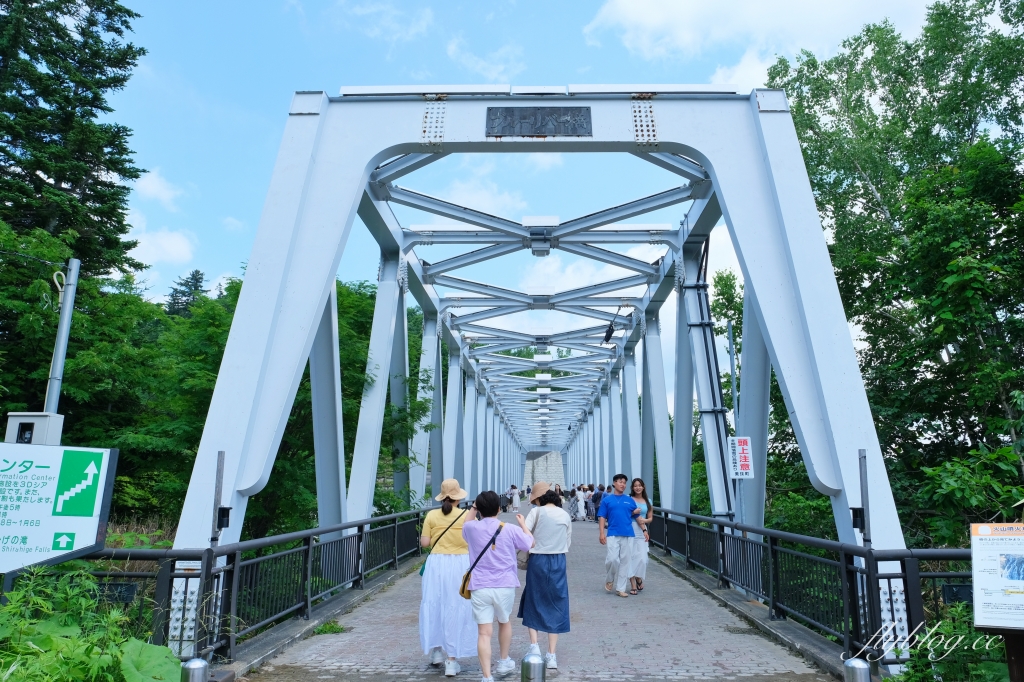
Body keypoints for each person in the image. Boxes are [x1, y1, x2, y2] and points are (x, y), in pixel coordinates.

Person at [463, 491, 534, 682]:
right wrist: (524, 525)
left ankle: (487, 676)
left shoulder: (471, 529)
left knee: (484, 633)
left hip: (480, 586)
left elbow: (466, 524)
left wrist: (474, 507)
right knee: (504, 621)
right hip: (505, 584)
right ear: (499, 508)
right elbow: (529, 544)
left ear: (478, 509)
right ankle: (503, 661)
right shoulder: (509, 528)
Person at [419, 479, 477, 676]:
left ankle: (436, 651)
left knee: (434, 604)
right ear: (459, 497)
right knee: (456, 607)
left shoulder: (431, 515)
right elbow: (476, 541)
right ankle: (451, 660)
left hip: (436, 565)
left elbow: (425, 543)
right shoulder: (466, 516)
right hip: (460, 564)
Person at [518, 482, 571, 670]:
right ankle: (552, 655)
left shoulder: (536, 512)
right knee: (556, 602)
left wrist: (522, 524)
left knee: (534, 599)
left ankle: (534, 647)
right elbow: (568, 541)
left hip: (538, 560)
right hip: (558, 560)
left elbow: (528, 541)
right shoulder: (565, 514)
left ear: (539, 498)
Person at [597, 474, 640, 598]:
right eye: (620, 482)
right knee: (612, 559)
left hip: (628, 534)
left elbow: (637, 517)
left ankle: (620, 588)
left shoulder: (630, 500)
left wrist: (644, 530)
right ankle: (610, 579)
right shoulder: (607, 500)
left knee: (625, 561)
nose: (623, 484)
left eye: (624, 483)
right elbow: (602, 517)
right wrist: (601, 533)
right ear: (614, 483)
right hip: (612, 533)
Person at [628, 478, 653, 595]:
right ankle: (633, 584)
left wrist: (644, 521)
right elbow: (626, 514)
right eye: (635, 486)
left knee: (643, 558)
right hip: (630, 528)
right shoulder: (629, 499)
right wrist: (634, 513)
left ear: (643, 487)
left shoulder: (648, 501)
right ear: (632, 488)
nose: (637, 487)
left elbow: (650, 518)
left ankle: (638, 577)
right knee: (630, 557)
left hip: (642, 529)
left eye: (640, 485)